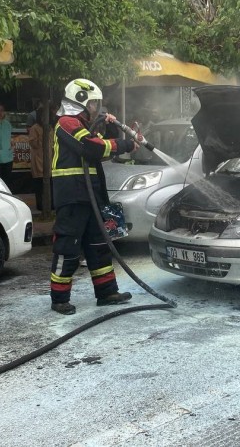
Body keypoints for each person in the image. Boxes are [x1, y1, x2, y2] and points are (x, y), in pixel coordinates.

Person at [49, 78, 140, 315]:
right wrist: (126, 144)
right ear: (80, 101)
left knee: (99, 245)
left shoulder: (83, 126)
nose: (96, 109)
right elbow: (93, 148)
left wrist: (108, 129)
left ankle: (107, 292)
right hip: (72, 196)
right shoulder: (66, 123)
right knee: (68, 246)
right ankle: (59, 298)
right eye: (93, 104)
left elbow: (97, 146)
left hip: (90, 195)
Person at [27, 106, 53, 212]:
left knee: (50, 185)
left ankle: (50, 204)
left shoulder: (51, 127)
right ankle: (40, 205)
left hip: (50, 160)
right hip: (38, 160)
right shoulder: (34, 128)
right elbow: (33, 143)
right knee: (39, 185)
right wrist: (42, 137)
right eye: (42, 116)